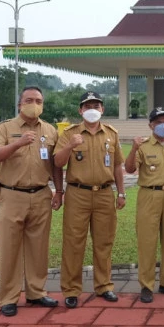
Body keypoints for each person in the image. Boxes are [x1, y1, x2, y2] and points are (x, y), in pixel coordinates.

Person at [0, 86, 61, 317]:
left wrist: (60, 190)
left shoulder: (50, 130)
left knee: (39, 249)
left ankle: (36, 292)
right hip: (12, 194)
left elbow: (56, 164)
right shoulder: (5, 128)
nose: (34, 104)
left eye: (38, 100)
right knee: (9, 249)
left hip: (41, 195)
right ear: (20, 104)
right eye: (29, 100)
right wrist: (17, 143)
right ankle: (8, 297)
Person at [53, 91, 126, 309]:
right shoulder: (69, 133)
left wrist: (121, 193)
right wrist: (69, 145)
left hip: (105, 193)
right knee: (74, 243)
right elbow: (57, 162)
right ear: (80, 110)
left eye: (96, 105)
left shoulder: (111, 134)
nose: (92, 109)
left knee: (104, 242)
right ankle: (71, 290)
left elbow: (117, 166)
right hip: (78, 193)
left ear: (102, 109)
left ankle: (104, 286)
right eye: (87, 106)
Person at [125, 106, 164, 304]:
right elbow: (129, 168)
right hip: (149, 196)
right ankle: (146, 285)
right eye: (159, 122)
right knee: (147, 242)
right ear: (151, 125)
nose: (163, 125)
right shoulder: (143, 146)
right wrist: (134, 148)